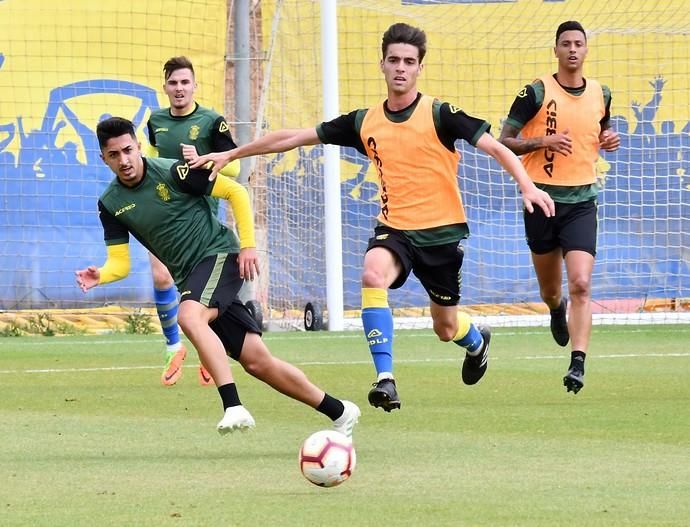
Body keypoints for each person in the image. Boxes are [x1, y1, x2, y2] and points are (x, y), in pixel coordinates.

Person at [184, 23, 555, 412]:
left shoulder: (440, 113)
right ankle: (385, 378)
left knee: (445, 328)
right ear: (381, 64)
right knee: (372, 273)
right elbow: (292, 137)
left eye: (409, 62)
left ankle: (476, 340)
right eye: (394, 60)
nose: (400, 68)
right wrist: (231, 154)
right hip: (394, 230)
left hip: (442, 235)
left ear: (419, 68)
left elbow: (496, 148)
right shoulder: (365, 121)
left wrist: (528, 186)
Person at [75, 116, 360, 437]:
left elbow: (236, 191)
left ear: (139, 146)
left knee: (189, 317)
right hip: (194, 279)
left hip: (221, 256)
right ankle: (341, 411)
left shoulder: (175, 172)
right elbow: (120, 263)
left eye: (128, 150)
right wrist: (101, 274)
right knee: (258, 362)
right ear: (104, 159)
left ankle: (233, 405)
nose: (124, 160)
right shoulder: (110, 204)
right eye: (114, 155)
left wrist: (249, 246)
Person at [498, 20, 620, 394]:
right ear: (555, 50)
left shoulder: (602, 92)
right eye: (565, 43)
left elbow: (600, 131)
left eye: (578, 43)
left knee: (582, 283)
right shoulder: (536, 92)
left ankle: (578, 363)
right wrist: (543, 141)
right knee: (552, 290)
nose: (572, 49)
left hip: (582, 200)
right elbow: (504, 142)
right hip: (542, 200)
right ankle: (555, 308)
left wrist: (608, 139)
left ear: (586, 50)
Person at [145, 56, 242, 387]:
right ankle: (173, 347)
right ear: (165, 87)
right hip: (160, 210)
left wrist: (202, 162)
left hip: (198, 218)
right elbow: (150, 159)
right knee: (160, 276)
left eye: (185, 82)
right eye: (173, 83)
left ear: (195, 85)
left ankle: (205, 348)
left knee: (195, 287)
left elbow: (235, 167)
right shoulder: (155, 121)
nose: (179, 88)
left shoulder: (212, 121)